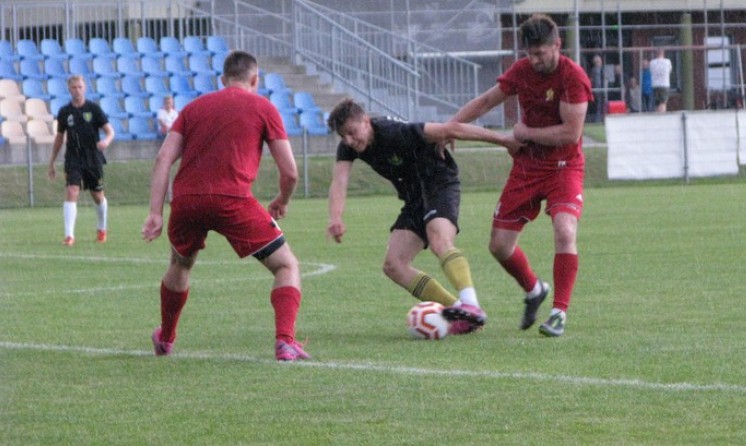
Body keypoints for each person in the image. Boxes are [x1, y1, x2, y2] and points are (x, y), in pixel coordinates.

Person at [141, 50, 310, 361]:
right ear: (255, 79)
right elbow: (290, 172)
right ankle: (285, 341)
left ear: (223, 79)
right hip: (233, 200)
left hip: (187, 201)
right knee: (286, 265)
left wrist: (155, 212)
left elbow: (163, 158)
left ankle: (165, 338)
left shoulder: (194, 108)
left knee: (180, 266)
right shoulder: (264, 107)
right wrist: (282, 200)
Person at [446, 14, 593, 337]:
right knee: (498, 245)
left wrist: (525, 131)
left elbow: (571, 133)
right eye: (530, 53)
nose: (535, 60)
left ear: (557, 45)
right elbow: (486, 101)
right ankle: (533, 289)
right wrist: (450, 126)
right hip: (528, 167)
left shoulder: (573, 77)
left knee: (565, 229)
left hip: (564, 167)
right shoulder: (522, 71)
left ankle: (559, 312)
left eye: (541, 53)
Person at [326, 98, 523, 335]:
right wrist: (336, 217)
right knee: (394, 265)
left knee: (439, 239)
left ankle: (471, 303)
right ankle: (461, 312)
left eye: (351, 132)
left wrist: (503, 141)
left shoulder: (394, 131)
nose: (348, 140)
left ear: (366, 121)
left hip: (439, 183)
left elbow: (452, 129)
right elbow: (339, 181)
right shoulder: (349, 146)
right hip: (414, 198)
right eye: (343, 136)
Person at [48, 74, 115, 246]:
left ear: (84, 88)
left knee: (97, 195)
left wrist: (106, 141)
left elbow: (110, 131)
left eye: (79, 87)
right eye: (73, 87)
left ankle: (102, 229)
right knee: (72, 191)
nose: (77, 90)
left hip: (93, 157)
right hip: (73, 157)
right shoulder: (64, 112)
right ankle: (69, 236)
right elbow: (59, 137)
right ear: (69, 89)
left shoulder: (94, 109)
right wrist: (52, 162)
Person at [649, 48, 672, 112]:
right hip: (664, 84)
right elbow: (670, 71)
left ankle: (656, 117)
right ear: (663, 53)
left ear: (656, 54)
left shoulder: (652, 62)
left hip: (655, 84)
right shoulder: (667, 61)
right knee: (663, 103)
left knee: (656, 103)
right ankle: (662, 118)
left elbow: (651, 71)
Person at [589, 54, 605, 122]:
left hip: (602, 88)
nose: (599, 63)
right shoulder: (593, 70)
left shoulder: (602, 69)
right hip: (596, 89)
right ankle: (598, 118)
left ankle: (601, 117)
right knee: (598, 104)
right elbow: (592, 80)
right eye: (598, 62)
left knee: (601, 103)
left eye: (599, 61)